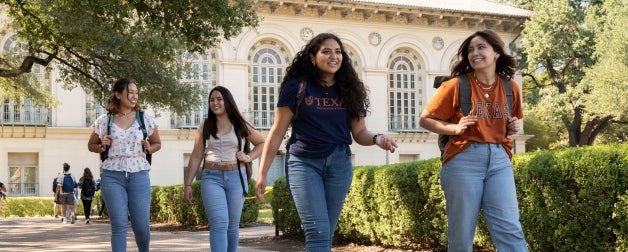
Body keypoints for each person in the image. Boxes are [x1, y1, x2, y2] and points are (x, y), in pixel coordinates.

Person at [254, 33, 398, 251]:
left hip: (339, 164)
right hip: (303, 163)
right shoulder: (297, 87)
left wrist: (377, 138)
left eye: (338, 51)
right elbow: (276, 133)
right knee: (318, 233)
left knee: (325, 234)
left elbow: (359, 132)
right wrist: (263, 173)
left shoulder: (350, 89)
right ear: (313, 57)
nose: (334, 56)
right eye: (326, 51)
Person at [419, 29, 527, 251]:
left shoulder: (510, 87)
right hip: (463, 159)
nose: (475, 53)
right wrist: (455, 127)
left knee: (510, 227)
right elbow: (426, 119)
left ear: (497, 53)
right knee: (461, 233)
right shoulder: (456, 85)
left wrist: (513, 126)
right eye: (470, 50)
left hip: (499, 159)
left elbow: (509, 123)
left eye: (481, 47)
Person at [183, 86, 265, 252]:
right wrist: (188, 184)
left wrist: (248, 157)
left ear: (227, 101)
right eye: (212, 100)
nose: (215, 103)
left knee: (232, 225)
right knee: (219, 223)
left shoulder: (240, 124)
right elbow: (197, 155)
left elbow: (262, 143)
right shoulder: (205, 126)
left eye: (219, 99)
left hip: (236, 176)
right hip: (211, 177)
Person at [87, 77, 161, 252]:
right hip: (112, 176)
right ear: (118, 94)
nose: (134, 96)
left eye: (136, 92)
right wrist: (102, 144)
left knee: (141, 227)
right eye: (130, 92)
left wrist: (149, 148)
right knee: (119, 225)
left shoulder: (145, 118)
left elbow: (157, 143)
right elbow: (91, 145)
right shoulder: (105, 120)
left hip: (139, 175)